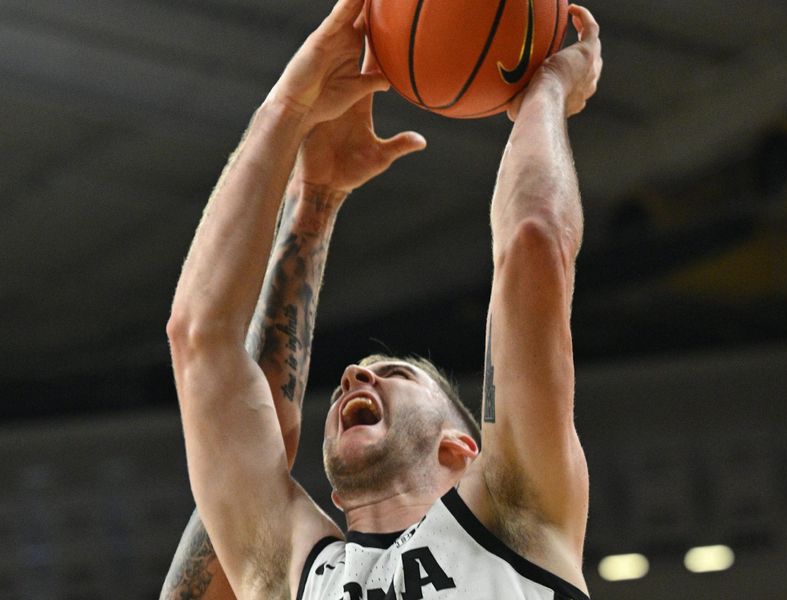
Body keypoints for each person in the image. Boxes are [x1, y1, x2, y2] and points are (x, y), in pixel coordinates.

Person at [163, 0, 602, 597]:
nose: (349, 377)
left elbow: (534, 244)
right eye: (360, 376)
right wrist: (289, 111)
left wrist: (546, 92)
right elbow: (199, 338)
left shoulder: (516, 513)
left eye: (393, 373)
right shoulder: (286, 571)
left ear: (462, 448)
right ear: (336, 494)